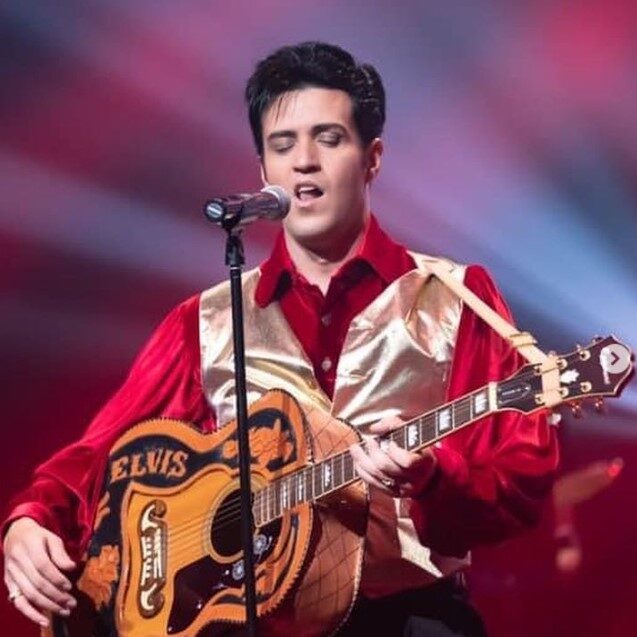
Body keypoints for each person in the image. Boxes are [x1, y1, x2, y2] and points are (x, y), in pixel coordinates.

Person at [2, 42, 558, 636]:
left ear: (372, 158)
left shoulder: (453, 296)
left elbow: (521, 469)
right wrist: (31, 521)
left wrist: (432, 475)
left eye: (329, 139)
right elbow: (102, 456)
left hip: (409, 615)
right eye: (282, 145)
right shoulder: (208, 320)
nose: (304, 163)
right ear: (263, 170)